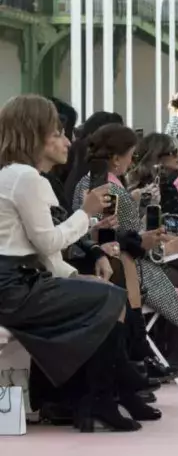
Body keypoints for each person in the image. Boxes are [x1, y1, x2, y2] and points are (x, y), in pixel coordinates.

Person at [0, 94, 140, 431]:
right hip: (14, 289)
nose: (68, 141)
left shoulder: (16, 175)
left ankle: (94, 398)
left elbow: (38, 248)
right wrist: (86, 213)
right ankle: (100, 398)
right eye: (58, 133)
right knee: (111, 297)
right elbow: (48, 242)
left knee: (104, 292)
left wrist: (74, 273)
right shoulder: (25, 178)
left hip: (18, 282)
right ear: (35, 136)